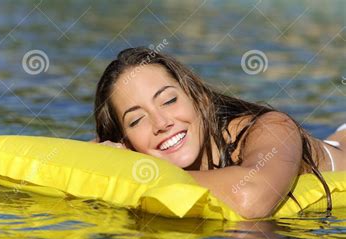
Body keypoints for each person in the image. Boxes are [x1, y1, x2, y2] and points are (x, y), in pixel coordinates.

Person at [92, 47, 345, 219]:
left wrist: (139, 173)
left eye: (169, 101)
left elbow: (251, 197)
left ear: (200, 99)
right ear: (125, 141)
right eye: (136, 120)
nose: (161, 122)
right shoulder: (125, 150)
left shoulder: (272, 128)